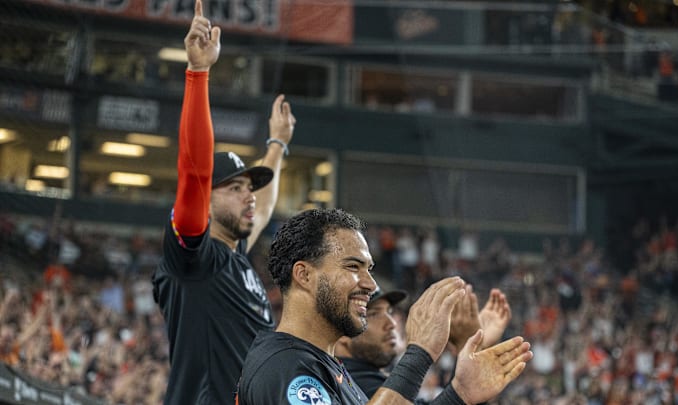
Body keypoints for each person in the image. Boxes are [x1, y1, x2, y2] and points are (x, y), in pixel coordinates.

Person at [151, 0, 295, 403]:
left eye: (248, 187)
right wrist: (199, 73)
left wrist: (277, 145)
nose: (248, 196)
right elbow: (195, 173)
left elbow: (263, 207)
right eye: (234, 188)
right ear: (206, 201)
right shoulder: (193, 259)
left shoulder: (234, 255)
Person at [237, 208, 532, 404]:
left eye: (369, 268)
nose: (369, 283)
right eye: (353, 266)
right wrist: (419, 353)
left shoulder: (326, 366)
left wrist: (460, 393)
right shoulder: (284, 367)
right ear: (303, 275)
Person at [335, 285, 513, 401]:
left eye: (389, 311)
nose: (392, 323)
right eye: (373, 314)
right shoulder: (349, 380)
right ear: (341, 333)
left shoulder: (362, 374)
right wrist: (421, 349)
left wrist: (472, 346)